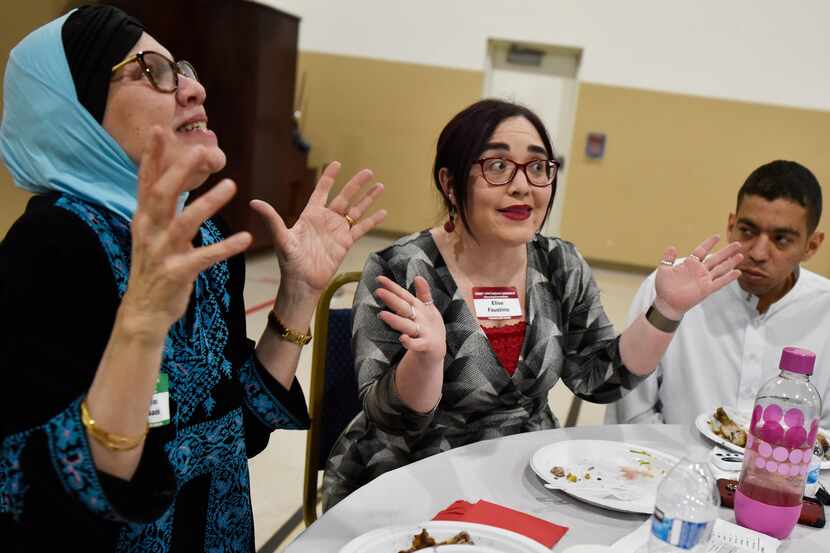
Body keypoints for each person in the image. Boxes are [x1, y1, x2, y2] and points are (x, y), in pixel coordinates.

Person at [0, 6, 384, 551]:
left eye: (183, 68)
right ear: (76, 112)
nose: (192, 88)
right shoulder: (52, 248)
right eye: (152, 70)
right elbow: (40, 499)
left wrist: (297, 297)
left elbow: (234, 431)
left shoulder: (204, 238)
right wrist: (140, 327)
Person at [321, 99, 743, 508]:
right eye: (498, 166)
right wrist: (427, 361)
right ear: (450, 183)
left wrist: (665, 311)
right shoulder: (401, 268)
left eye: (538, 167)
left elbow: (598, 379)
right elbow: (391, 419)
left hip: (525, 474)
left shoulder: (560, 264)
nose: (523, 186)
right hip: (411, 476)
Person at [607, 160, 830, 426]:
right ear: (730, 225)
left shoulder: (824, 310)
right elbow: (632, 412)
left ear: (812, 245)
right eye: (747, 231)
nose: (758, 253)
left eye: (781, 239)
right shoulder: (671, 288)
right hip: (668, 461)